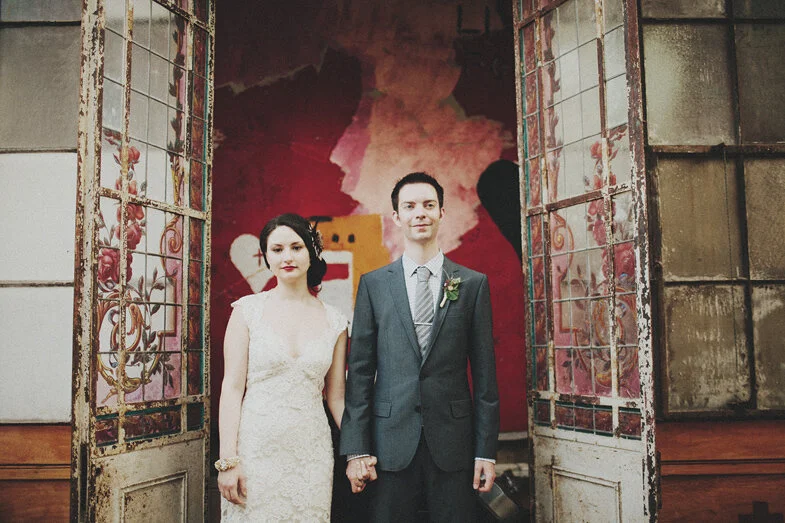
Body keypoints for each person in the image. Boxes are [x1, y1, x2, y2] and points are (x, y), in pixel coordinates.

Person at [340, 172, 500, 522]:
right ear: (396, 217)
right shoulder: (374, 285)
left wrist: (485, 452)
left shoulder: (472, 284)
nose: (420, 213)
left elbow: (485, 376)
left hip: (454, 444)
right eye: (409, 206)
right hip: (389, 444)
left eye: (428, 205)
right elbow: (360, 373)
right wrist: (356, 449)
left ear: (442, 212)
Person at [217, 213, 369, 521]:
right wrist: (228, 461)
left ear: (312, 253)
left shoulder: (336, 321)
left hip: (310, 453)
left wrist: (358, 451)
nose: (287, 257)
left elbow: (337, 398)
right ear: (267, 257)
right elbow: (231, 389)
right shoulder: (247, 311)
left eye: (296, 247)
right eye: (277, 249)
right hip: (255, 450)